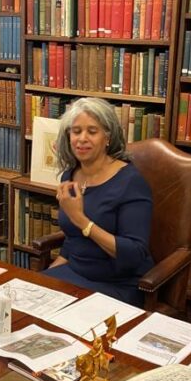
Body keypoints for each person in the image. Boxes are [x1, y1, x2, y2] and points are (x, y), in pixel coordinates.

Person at [42, 97, 154, 307]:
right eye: (76, 131)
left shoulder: (131, 182)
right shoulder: (69, 176)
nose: (82, 139)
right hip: (74, 273)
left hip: (117, 284)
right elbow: (72, 240)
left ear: (107, 137)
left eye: (92, 132)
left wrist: (81, 220)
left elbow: (134, 254)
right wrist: (47, 277)